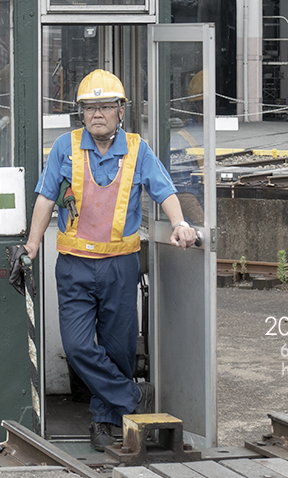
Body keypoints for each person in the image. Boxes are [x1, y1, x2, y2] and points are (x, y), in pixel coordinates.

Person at [20, 69, 198, 452]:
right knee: (80, 345)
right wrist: (32, 245)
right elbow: (45, 198)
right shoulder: (64, 148)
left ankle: (103, 421)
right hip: (74, 266)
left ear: (121, 110)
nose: (97, 114)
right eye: (89, 107)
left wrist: (179, 223)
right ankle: (132, 399)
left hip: (121, 265)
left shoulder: (138, 149)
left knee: (118, 349)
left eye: (105, 106)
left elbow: (165, 189)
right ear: (80, 113)